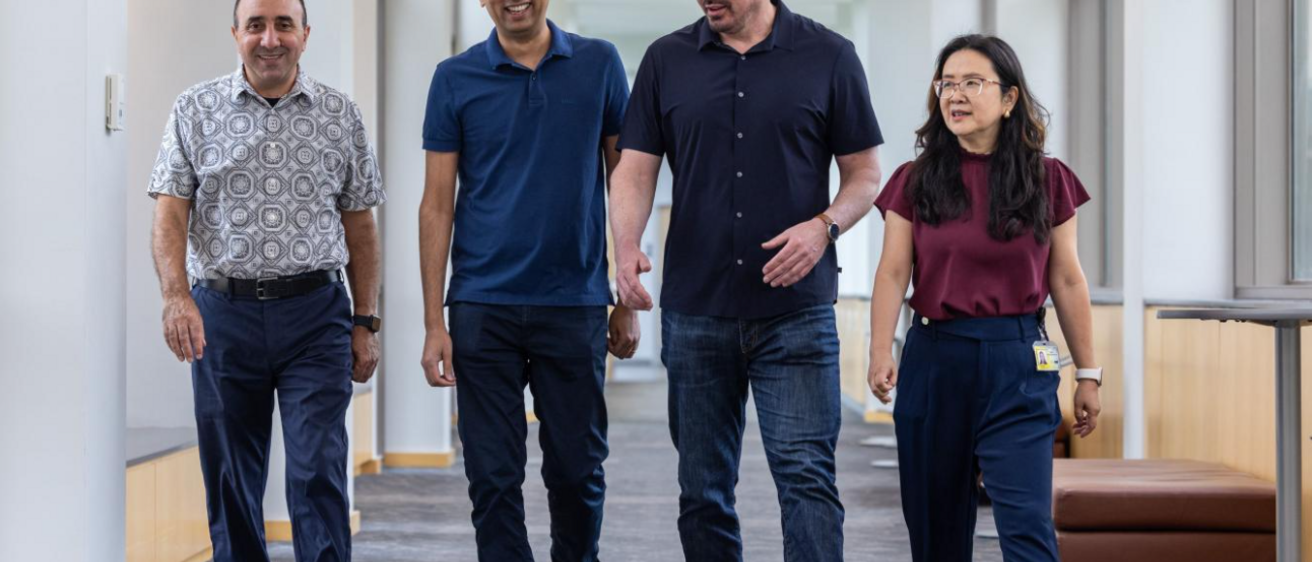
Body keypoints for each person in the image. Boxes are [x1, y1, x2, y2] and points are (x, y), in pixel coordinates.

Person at [609, 1, 883, 559]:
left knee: (806, 481)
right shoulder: (666, 59)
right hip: (696, 309)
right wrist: (625, 247)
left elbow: (865, 174)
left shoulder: (830, 55)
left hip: (796, 312)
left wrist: (823, 228)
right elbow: (635, 168)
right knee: (702, 491)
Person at [147, 0, 385, 560]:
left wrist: (366, 321)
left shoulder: (339, 114)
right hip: (221, 316)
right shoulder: (195, 109)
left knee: (317, 469)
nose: (270, 39)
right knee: (231, 478)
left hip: (316, 316)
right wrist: (176, 297)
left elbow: (361, 228)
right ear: (236, 34)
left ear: (306, 33)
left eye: (283, 24)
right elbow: (170, 213)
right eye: (256, 25)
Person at [867, 34, 1104, 562]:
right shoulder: (915, 180)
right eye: (947, 83)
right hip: (935, 359)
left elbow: (1067, 280)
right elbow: (892, 273)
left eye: (972, 82)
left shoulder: (1048, 179)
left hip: (1018, 361)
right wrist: (880, 351)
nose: (956, 94)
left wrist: (1088, 372)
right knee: (937, 533)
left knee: (1027, 527)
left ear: (1009, 98)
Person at [416, 0, 637, 559]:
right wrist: (432, 323)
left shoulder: (600, 64)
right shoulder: (454, 78)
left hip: (575, 302)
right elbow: (437, 206)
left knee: (577, 473)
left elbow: (625, 184)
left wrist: (626, 296)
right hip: (481, 306)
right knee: (491, 477)